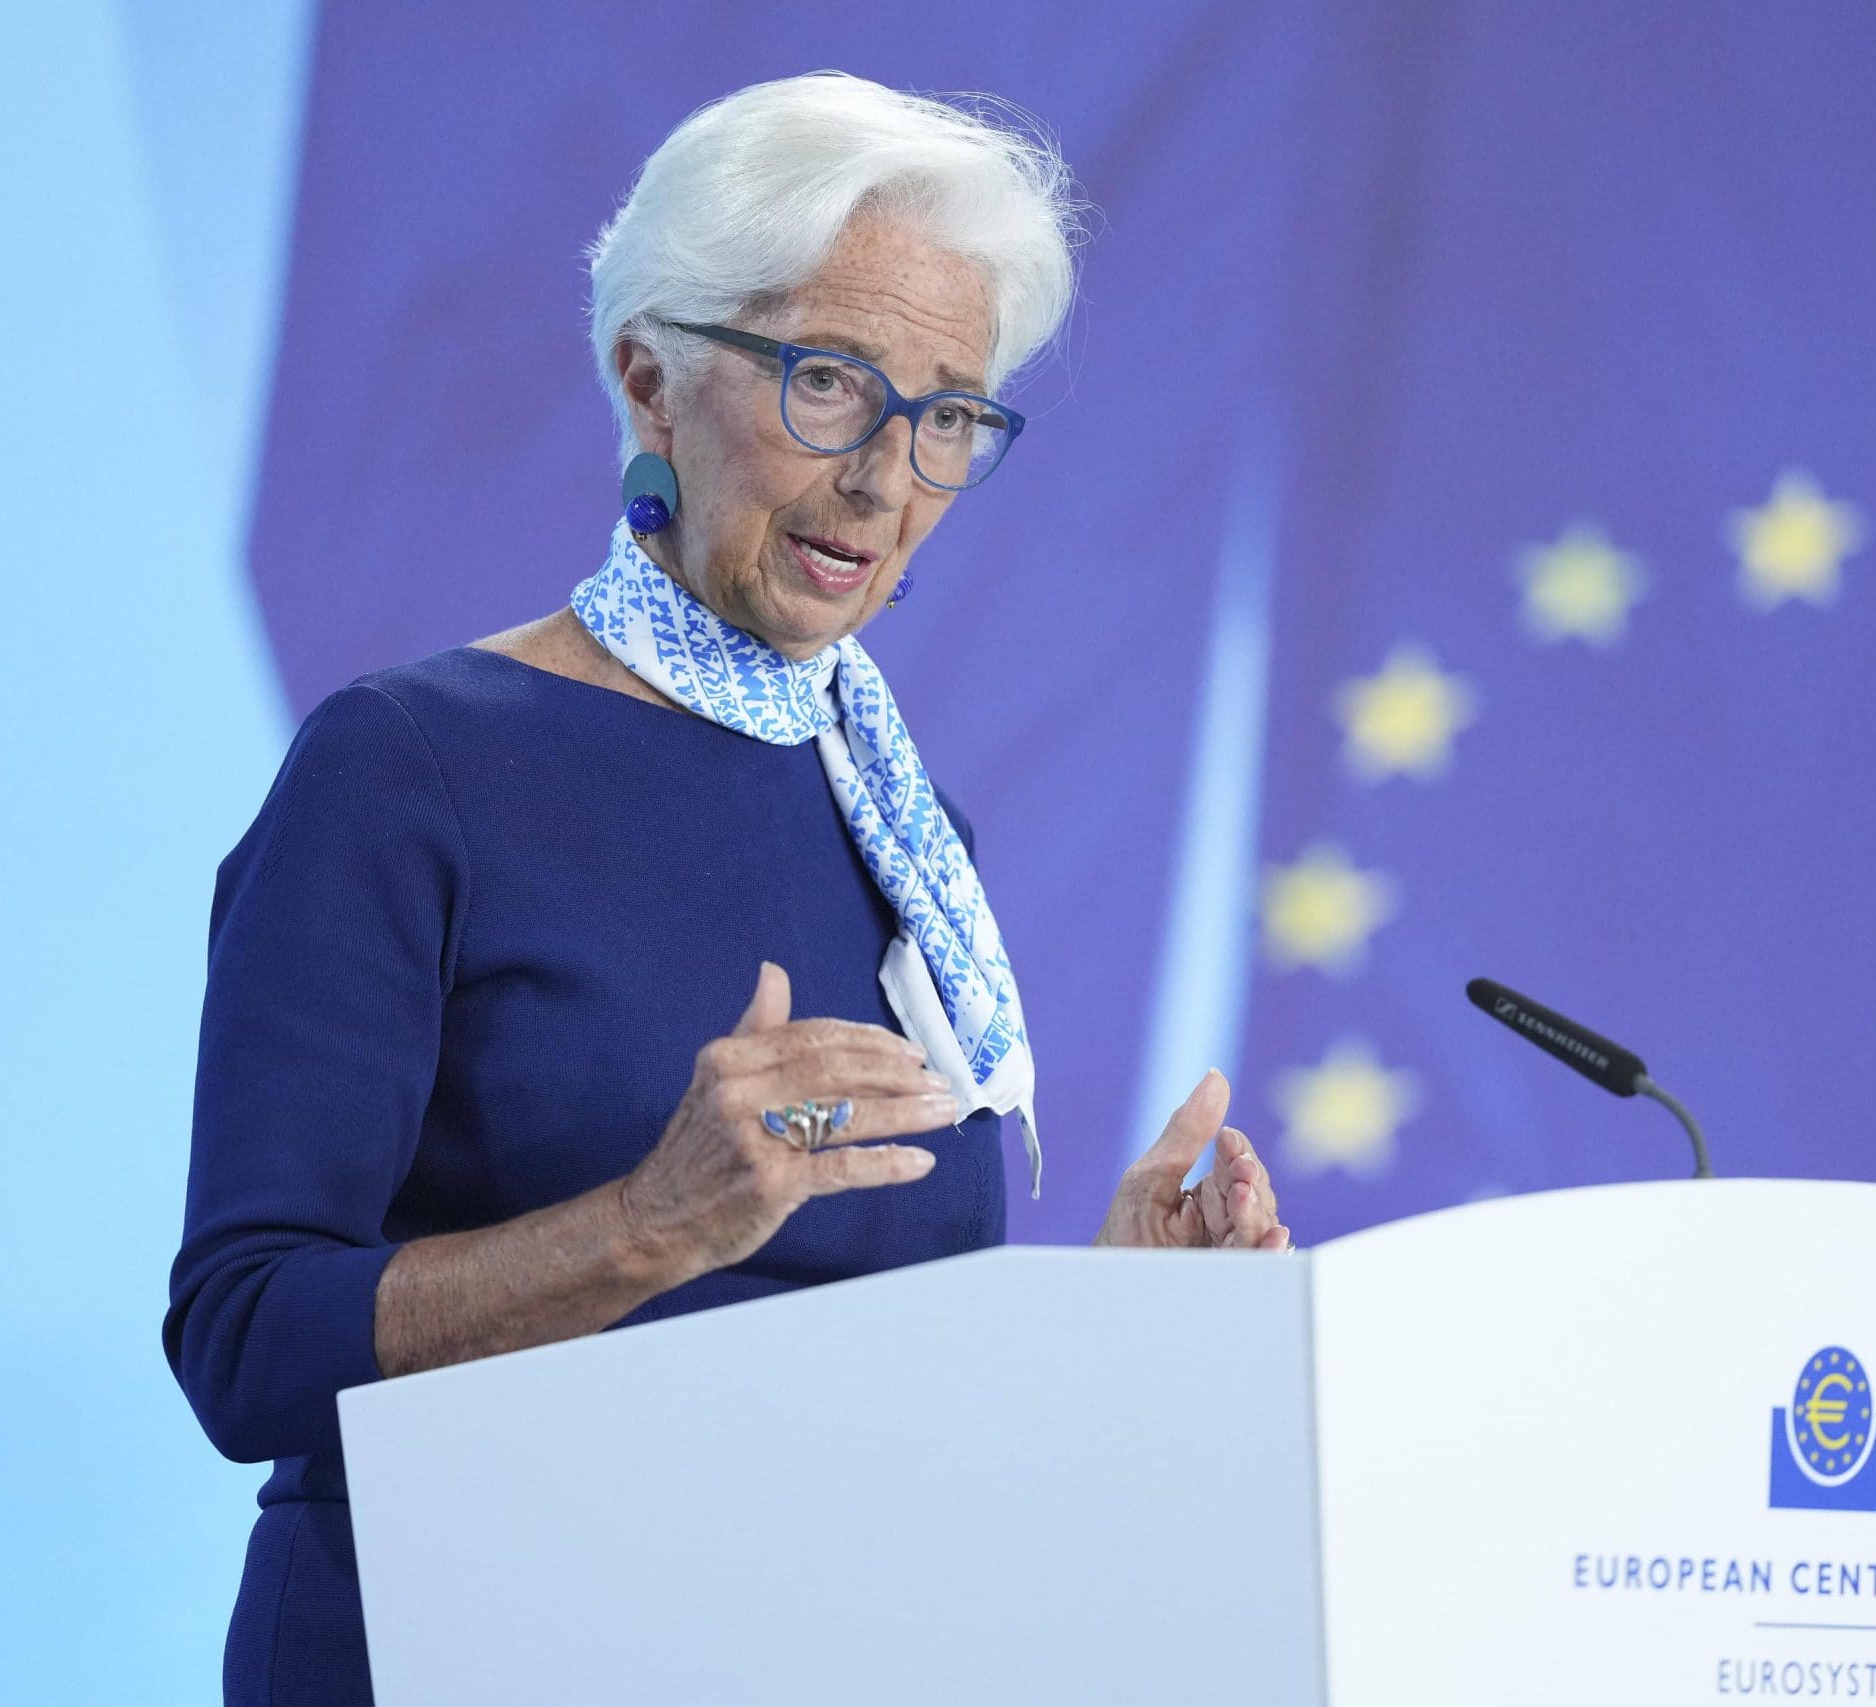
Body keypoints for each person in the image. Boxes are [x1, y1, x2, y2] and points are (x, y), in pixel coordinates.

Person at [164, 71, 1290, 1704]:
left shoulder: (906, 828)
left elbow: (865, 1356)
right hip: (463, 1647)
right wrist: (647, 1226)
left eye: (949, 417)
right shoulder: (408, 766)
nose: (886, 479)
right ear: (651, 381)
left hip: (813, 1648)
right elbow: (247, 1338)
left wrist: (1107, 1324)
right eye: (830, 383)